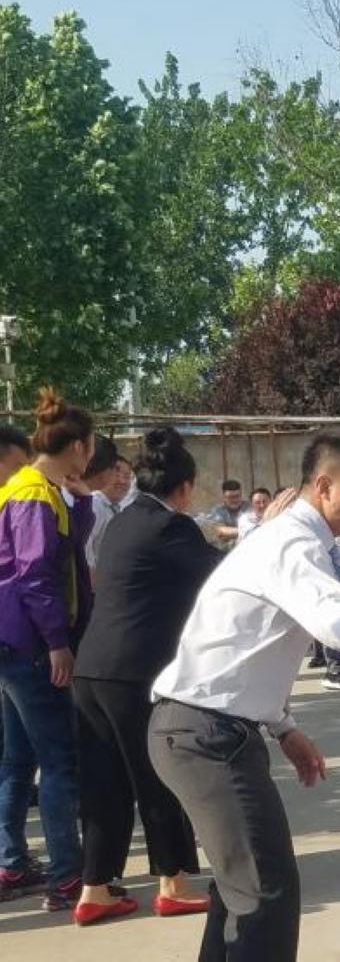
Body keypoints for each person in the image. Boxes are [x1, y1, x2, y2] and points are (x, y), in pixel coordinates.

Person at [149, 431, 340, 962]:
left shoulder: (295, 540)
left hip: (208, 731)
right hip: (206, 737)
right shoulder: (292, 543)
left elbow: (250, 646)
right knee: (264, 898)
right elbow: (332, 618)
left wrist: (283, 725)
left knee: (243, 895)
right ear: (325, 485)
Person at [71, 428, 215, 926]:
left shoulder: (123, 522)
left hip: (92, 670)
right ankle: (173, 882)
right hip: (134, 673)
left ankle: (95, 888)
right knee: (158, 774)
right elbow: (220, 577)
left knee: (104, 783)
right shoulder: (172, 527)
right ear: (185, 486)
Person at [0, 388, 96, 912]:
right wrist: (58, 642)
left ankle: (12, 863)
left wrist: (81, 500)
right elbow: (36, 575)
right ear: (78, 446)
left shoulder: (34, 490)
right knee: (59, 762)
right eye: (92, 446)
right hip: (33, 645)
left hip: (14, 642)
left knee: (18, 759)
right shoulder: (34, 494)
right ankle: (66, 878)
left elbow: (66, 551)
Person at [81, 437, 138, 570]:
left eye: (127, 476)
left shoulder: (117, 509)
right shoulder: (95, 504)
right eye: (117, 474)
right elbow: (85, 553)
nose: (122, 481)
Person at [199, 479, 248, 546]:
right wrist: (248, 531)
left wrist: (231, 533)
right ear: (224, 497)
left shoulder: (249, 506)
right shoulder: (218, 511)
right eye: (231, 497)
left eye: (237, 496)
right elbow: (221, 530)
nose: (235, 500)